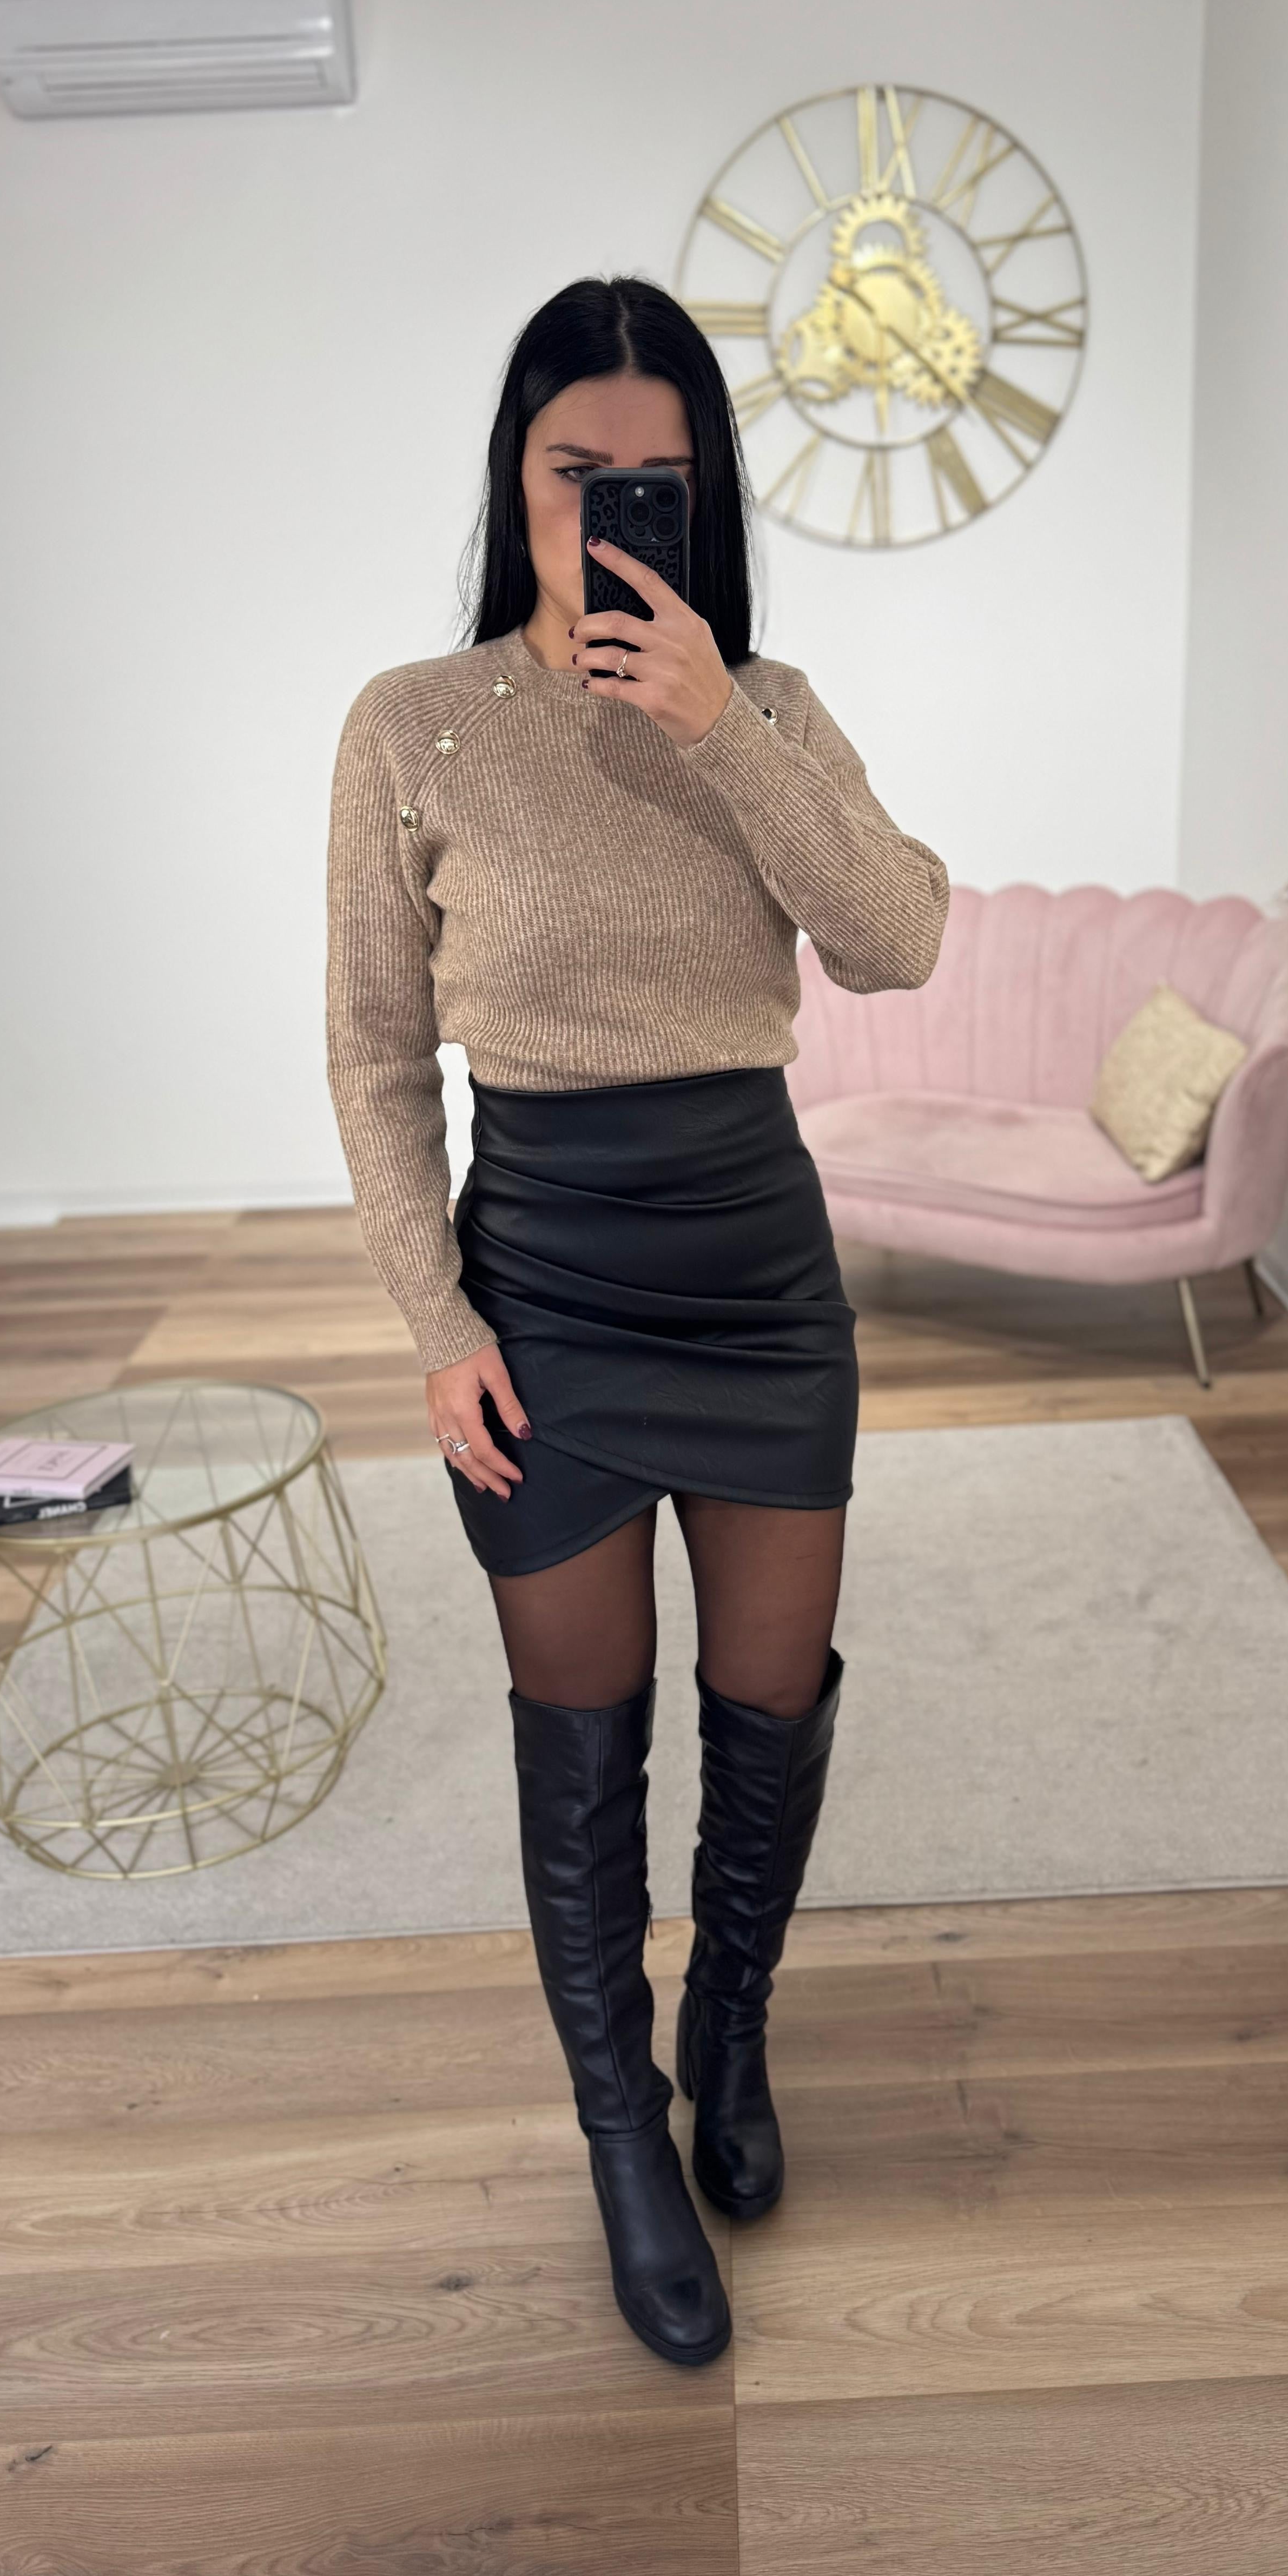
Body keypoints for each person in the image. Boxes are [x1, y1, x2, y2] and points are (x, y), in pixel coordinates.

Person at [324, 275, 948, 2367]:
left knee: (769, 1714)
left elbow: (898, 939)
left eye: (653, 481)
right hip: (548, 1288)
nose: (608, 510)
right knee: (581, 1739)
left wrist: (721, 729)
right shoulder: (412, 725)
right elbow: (374, 1057)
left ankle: (729, 2037)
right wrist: (439, 1320)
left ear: (706, 497)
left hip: (756, 1284)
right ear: (516, 476)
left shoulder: (767, 706)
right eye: (575, 470)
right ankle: (621, 2130)